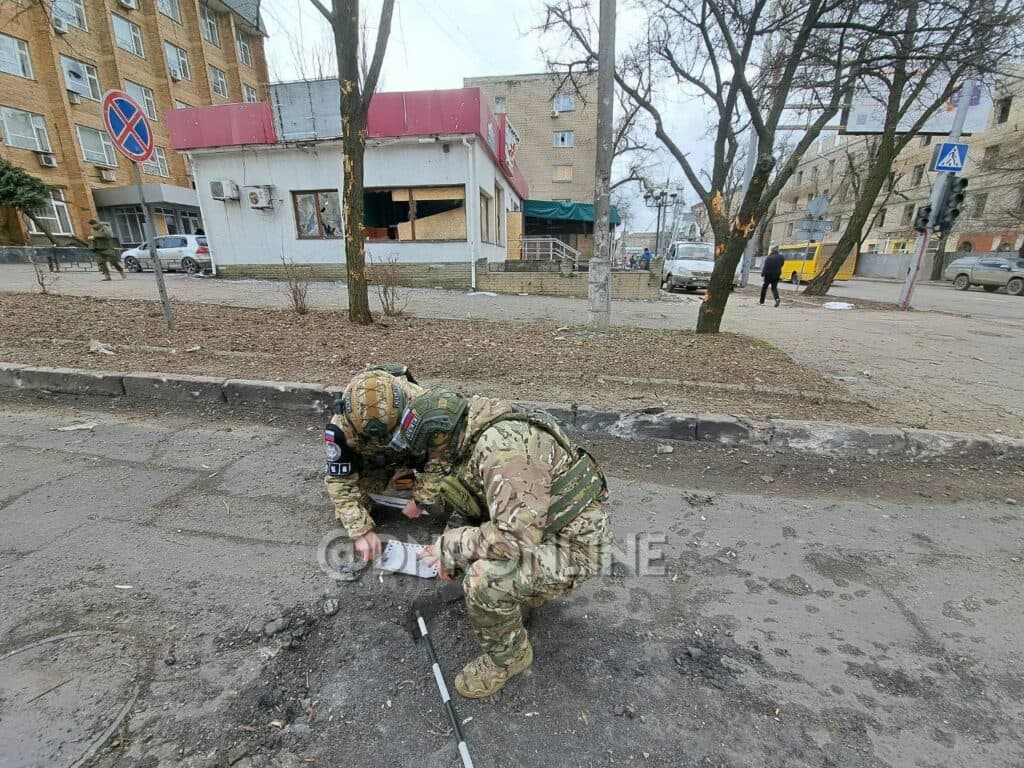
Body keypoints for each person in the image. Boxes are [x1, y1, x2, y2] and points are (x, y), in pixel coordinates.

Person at [393, 388, 612, 699]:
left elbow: (514, 539)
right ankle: (525, 592)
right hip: (545, 530)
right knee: (469, 553)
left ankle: (509, 659)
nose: (428, 461)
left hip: (573, 546)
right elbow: (474, 505)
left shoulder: (503, 451)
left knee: (484, 581)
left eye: (428, 453)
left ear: (440, 440)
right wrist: (452, 554)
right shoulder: (474, 432)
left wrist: (451, 546)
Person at [323, 365, 441, 563]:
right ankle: (398, 479)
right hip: (373, 462)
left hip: (412, 455)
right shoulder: (341, 426)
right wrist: (361, 530)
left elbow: (440, 461)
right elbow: (339, 480)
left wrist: (422, 499)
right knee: (357, 504)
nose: (382, 439)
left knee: (449, 493)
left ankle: (405, 478)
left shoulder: (423, 407)